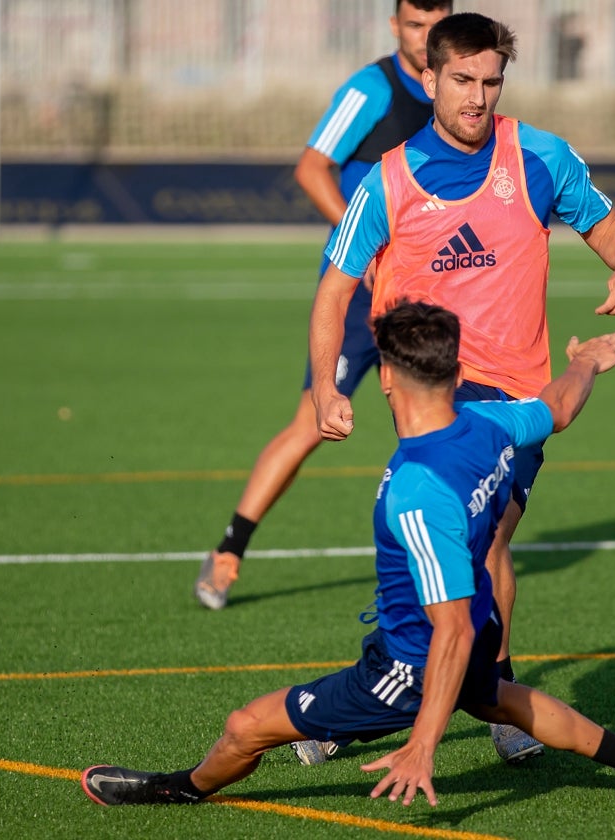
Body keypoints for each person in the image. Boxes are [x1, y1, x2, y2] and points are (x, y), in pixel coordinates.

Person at [81, 300, 615, 810]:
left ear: (384, 378)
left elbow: (450, 631)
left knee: (247, 726)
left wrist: (424, 744)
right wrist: (588, 361)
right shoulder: (488, 422)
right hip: (482, 623)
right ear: (458, 374)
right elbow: (559, 406)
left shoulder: (416, 490)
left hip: (409, 663)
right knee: (505, 700)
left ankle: (177, 789)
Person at [308, 12, 615, 764]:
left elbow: (606, 224)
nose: (478, 97)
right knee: (447, 550)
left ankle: (465, 692)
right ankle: (444, 695)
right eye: (462, 80)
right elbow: (334, 292)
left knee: (483, 541)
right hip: (428, 390)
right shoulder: (387, 182)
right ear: (428, 78)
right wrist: (328, 388)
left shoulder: (538, 156)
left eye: (490, 82)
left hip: (514, 395)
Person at [194, 0, 452, 611]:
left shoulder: (457, 95)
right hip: (360, 293)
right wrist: (365, 248)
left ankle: (443, 562)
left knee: (443, 424)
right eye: (415, 26)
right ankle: (229, 550)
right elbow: (312, 169)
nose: (425, 39)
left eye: (435, 28)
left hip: (429, 292)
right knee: (313, 422)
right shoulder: (372, 88)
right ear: (395, 27)